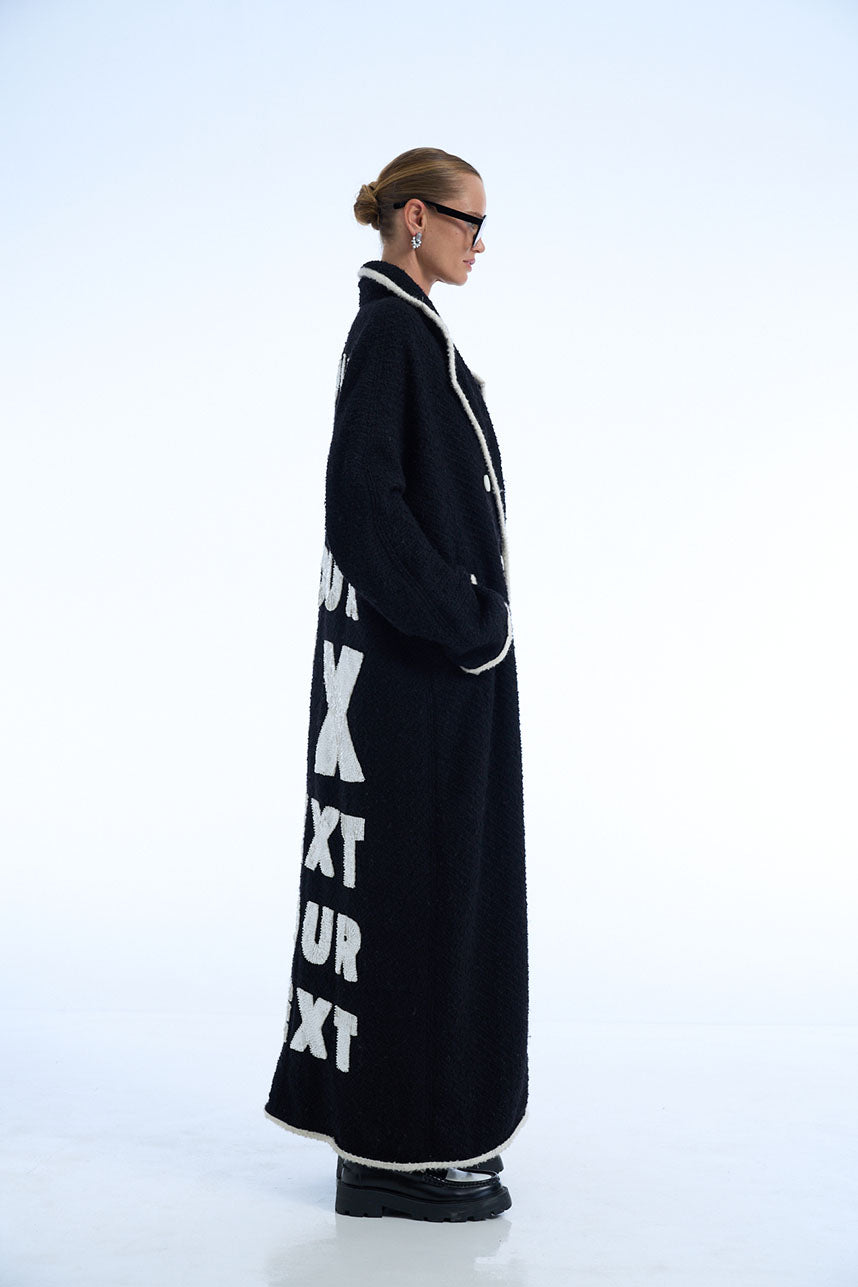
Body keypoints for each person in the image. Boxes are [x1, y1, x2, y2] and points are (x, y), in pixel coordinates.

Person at [264, 147, 528, 1222]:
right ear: (416, 218)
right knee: (418, 902)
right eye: (471, 223)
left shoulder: (410, 331)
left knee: (436, 898)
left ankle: (408, 1138)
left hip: (432, 675)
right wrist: (469, 622)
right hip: (414, 685)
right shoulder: (389, 335)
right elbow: (362, 512)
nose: (481, 245)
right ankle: (393, 1153)